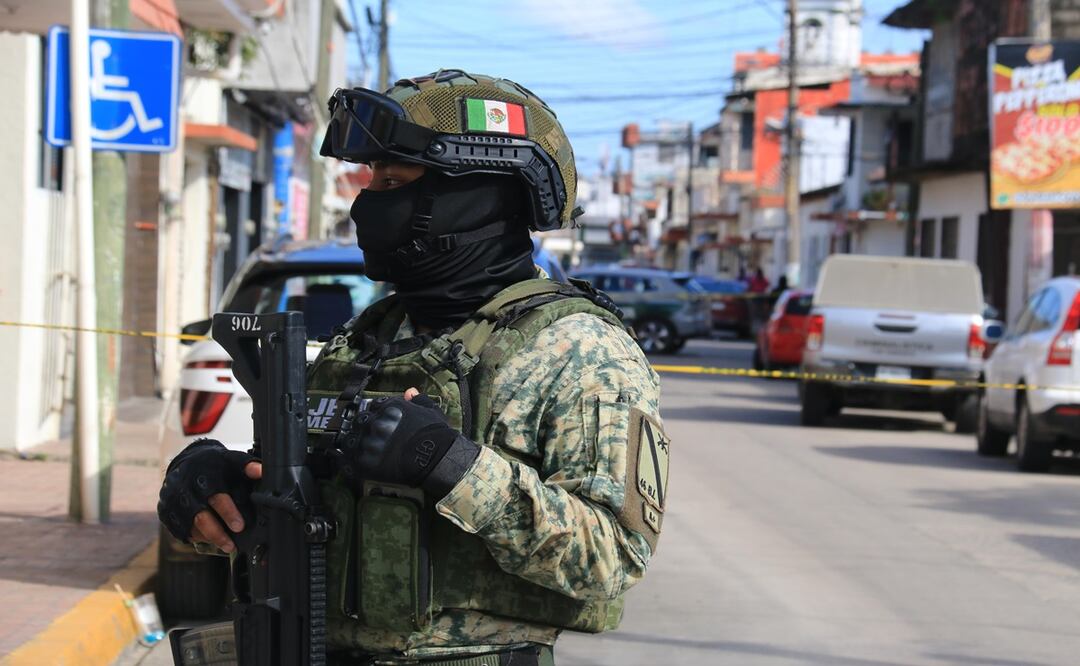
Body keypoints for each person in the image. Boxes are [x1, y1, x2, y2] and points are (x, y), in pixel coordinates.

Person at [157, 70, 668, 665]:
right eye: (371, 179)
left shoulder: (577, 347)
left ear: (479, 193)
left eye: (395, 181)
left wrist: (451, 466)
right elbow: (312, 521)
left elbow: (613, 557)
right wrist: (211, 488)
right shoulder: (369, 339)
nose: (368, 202)